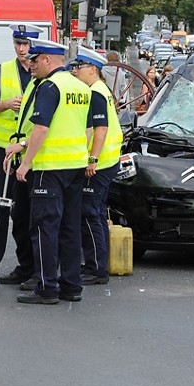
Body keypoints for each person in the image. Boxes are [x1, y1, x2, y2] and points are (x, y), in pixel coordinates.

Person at [6, 38, 91, 305]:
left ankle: (46, 287)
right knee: (70, 228)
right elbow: (88, 129)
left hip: (49, 168)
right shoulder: (80, 87)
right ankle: (71, 286)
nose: (31, 65)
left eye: (35, 60)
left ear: (47, 60)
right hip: (75, 166)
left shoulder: (49, 86)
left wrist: (26, 162)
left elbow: (41, 128)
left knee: (45, 228)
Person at [0, 23, 41, 282]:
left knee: (26, 212)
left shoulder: (41, 72)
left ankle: (28, 267)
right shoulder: (2, 70)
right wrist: (6, 104)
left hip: (31, 150)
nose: (22, 49)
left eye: (25, 44)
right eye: (18, 44)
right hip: (6, 150)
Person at [70, 46, 123, 285]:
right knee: (97, 214)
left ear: (92, 69)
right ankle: (96, 264)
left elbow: (100, 129)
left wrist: (92, 159)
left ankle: (96, 269)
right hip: (107, 160)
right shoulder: (99, 90)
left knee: (90, 214)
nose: (76, 71)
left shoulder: (96, 93)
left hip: (101, 163)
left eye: (79, 67)